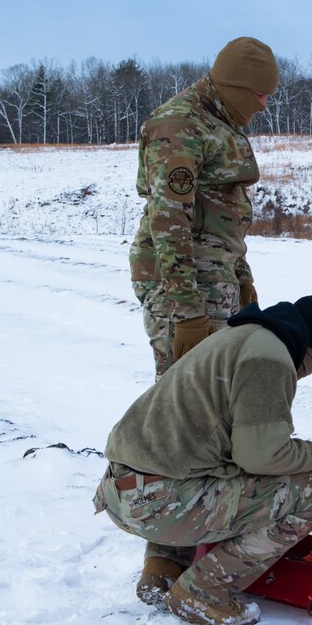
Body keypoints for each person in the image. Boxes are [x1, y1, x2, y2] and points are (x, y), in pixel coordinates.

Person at [92, 295, 312, 625]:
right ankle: (204, 592)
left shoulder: (240, 336)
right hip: (158, 503)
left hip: (122, 492)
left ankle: (162, 571)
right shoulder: (271, 356)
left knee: (211, 469)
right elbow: (261, 455)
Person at [129, 36, 279, 377]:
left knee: (215, 397)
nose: (265, 104)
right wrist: (187, 313)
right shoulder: (179, 127)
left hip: (212, 277)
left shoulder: (220, 120)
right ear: (238, 87)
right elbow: (169, 223)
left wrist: (242, 278)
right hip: (182, 287)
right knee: (181, 402)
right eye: (260, 94)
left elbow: (222, 214)